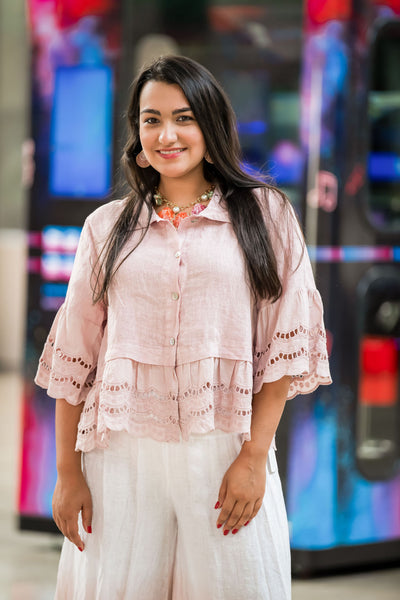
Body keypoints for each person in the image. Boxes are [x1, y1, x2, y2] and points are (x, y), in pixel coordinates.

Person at [35, 55, 331, 599]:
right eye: (151, 119)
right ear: (136, 132)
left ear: (210, 125)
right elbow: (74, 357)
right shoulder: (105, 229)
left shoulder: (267, 216)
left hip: (223, 449)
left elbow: (284, 352)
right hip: (120, 455)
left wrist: (252, 458)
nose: (166, 134)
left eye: (184, 117)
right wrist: (67, 473)